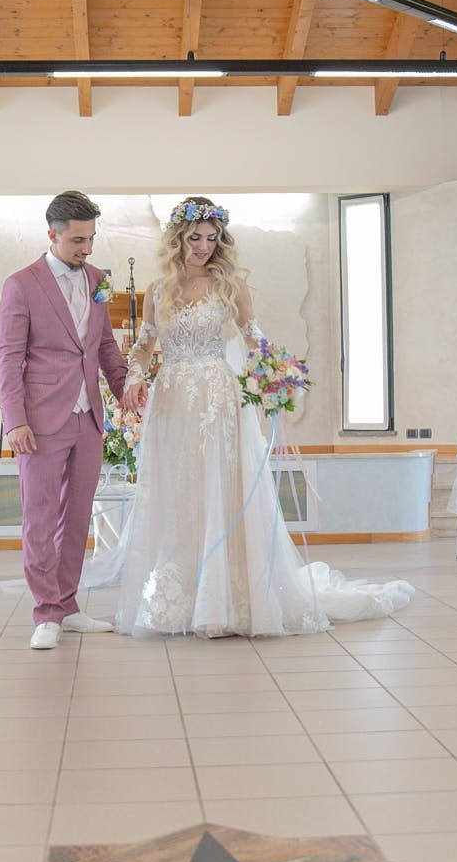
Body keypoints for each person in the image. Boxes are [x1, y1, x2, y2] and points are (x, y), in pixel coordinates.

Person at [105, 197, 413, 636]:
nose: (203, 247)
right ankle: (180, 598)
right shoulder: (158, 290)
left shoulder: (231, 286)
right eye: (194, 238)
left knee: (221, 488)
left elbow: (256, 341)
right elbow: (143, 344)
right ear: (177, 239)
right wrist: (134, 375)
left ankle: (227, 600)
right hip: (172, 401)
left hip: (218, 398)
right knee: (180, 491)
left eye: (212, 238)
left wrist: (276, 374)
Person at [0, 190, 130, 650]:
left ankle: (69, 607)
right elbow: (9, 358)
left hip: (88, 417)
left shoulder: (97, 278)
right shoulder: (21, 284)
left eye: (90, 238)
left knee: (76, 517)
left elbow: (104, 345)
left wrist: (124, 389)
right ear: (51, 234)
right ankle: (45, 612)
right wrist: (14, 420)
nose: (86, 248)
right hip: (39, 419)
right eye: (77, 240)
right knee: (40, 517)